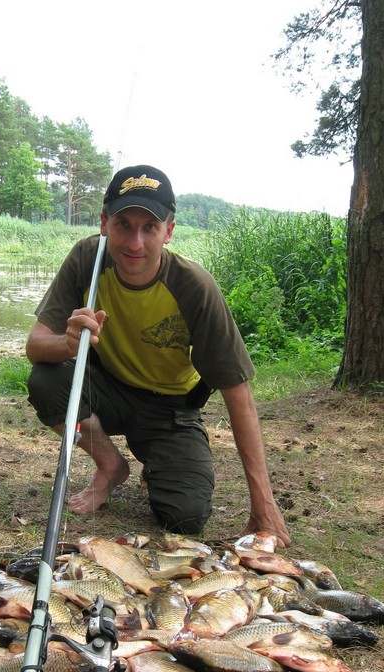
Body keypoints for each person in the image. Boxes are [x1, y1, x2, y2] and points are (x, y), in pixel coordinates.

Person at [26, 165, 290, 546]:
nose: (135, 243)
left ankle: (160, 464)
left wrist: (262, 504)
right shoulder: (88, 259)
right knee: (45, 380)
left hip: (171, 410)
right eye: (123, 225)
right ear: (104, 223)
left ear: (169, 231)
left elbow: (238, 394)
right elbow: (35, 344)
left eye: (149, 227)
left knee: (185, 516)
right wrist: (67, 345)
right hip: (108, 389)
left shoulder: (194, 287)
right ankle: (110, 465)